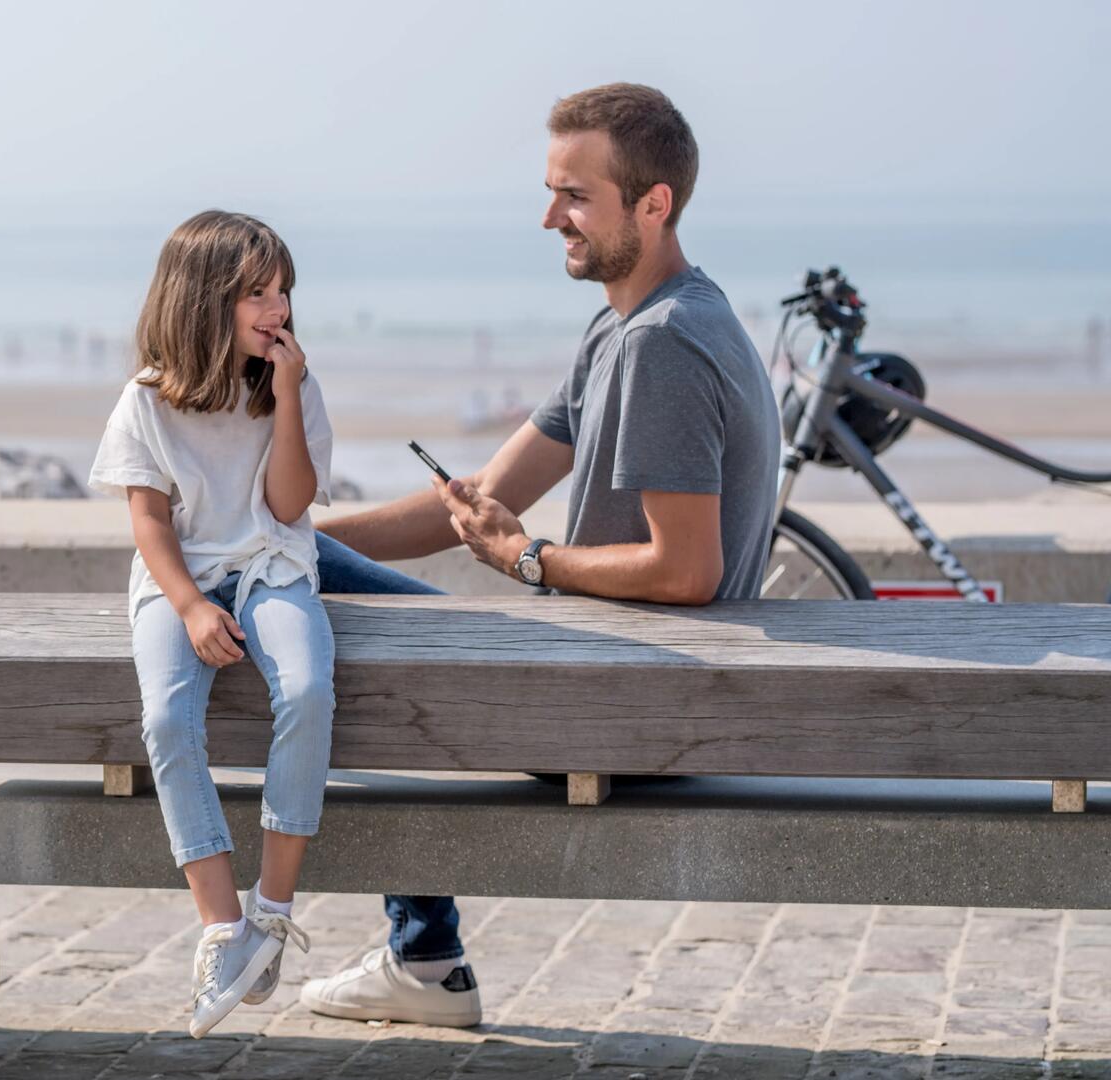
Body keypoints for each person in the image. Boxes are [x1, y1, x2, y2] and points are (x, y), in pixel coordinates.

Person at [299, 82, 781, 1027]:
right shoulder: (622, 328)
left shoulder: (665, 345)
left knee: (333, 639)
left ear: (655, 203)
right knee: (296, 574)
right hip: (610, 675)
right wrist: (298, 540)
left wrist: (532, 562)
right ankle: (421, 955)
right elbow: (478, 506)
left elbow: (686, 572)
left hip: (624, 703)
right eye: (552, 190)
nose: (549, 216)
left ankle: (417, 953)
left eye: (575, 196)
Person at [88, 210, 333, 1038]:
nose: (278, 306)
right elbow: (150, 522)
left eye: (283, 289)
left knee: (305, 686)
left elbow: (291, 506)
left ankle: (270, 912)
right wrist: (191, 606)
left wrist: (291, 395)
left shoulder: (290, 383)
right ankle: (223, 932)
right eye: (256, 292)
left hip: (272, 564)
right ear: (202, 300)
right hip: (179, 577)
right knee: (165, 716)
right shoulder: (147, 400)